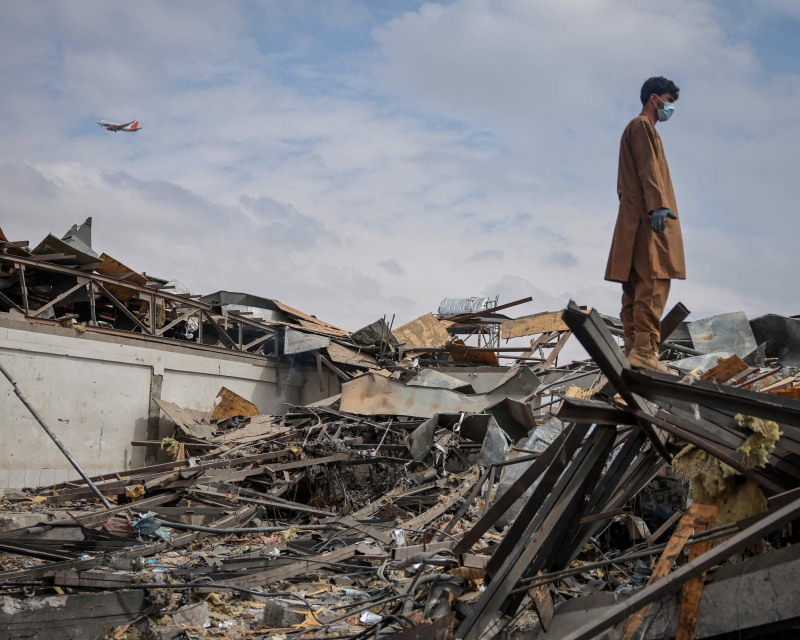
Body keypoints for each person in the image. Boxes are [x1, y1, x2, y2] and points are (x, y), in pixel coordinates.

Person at [605, 76, 685, 373]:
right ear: (655, 99)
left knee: (636, 289)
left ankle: (632, 352)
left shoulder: (636, 129)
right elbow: (649, 167)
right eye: (669, 102)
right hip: (649, 221)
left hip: (634, 220)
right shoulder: (642, 127)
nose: (670, 109)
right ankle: (644, 353)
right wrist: (659, 205)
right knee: (654, 282)